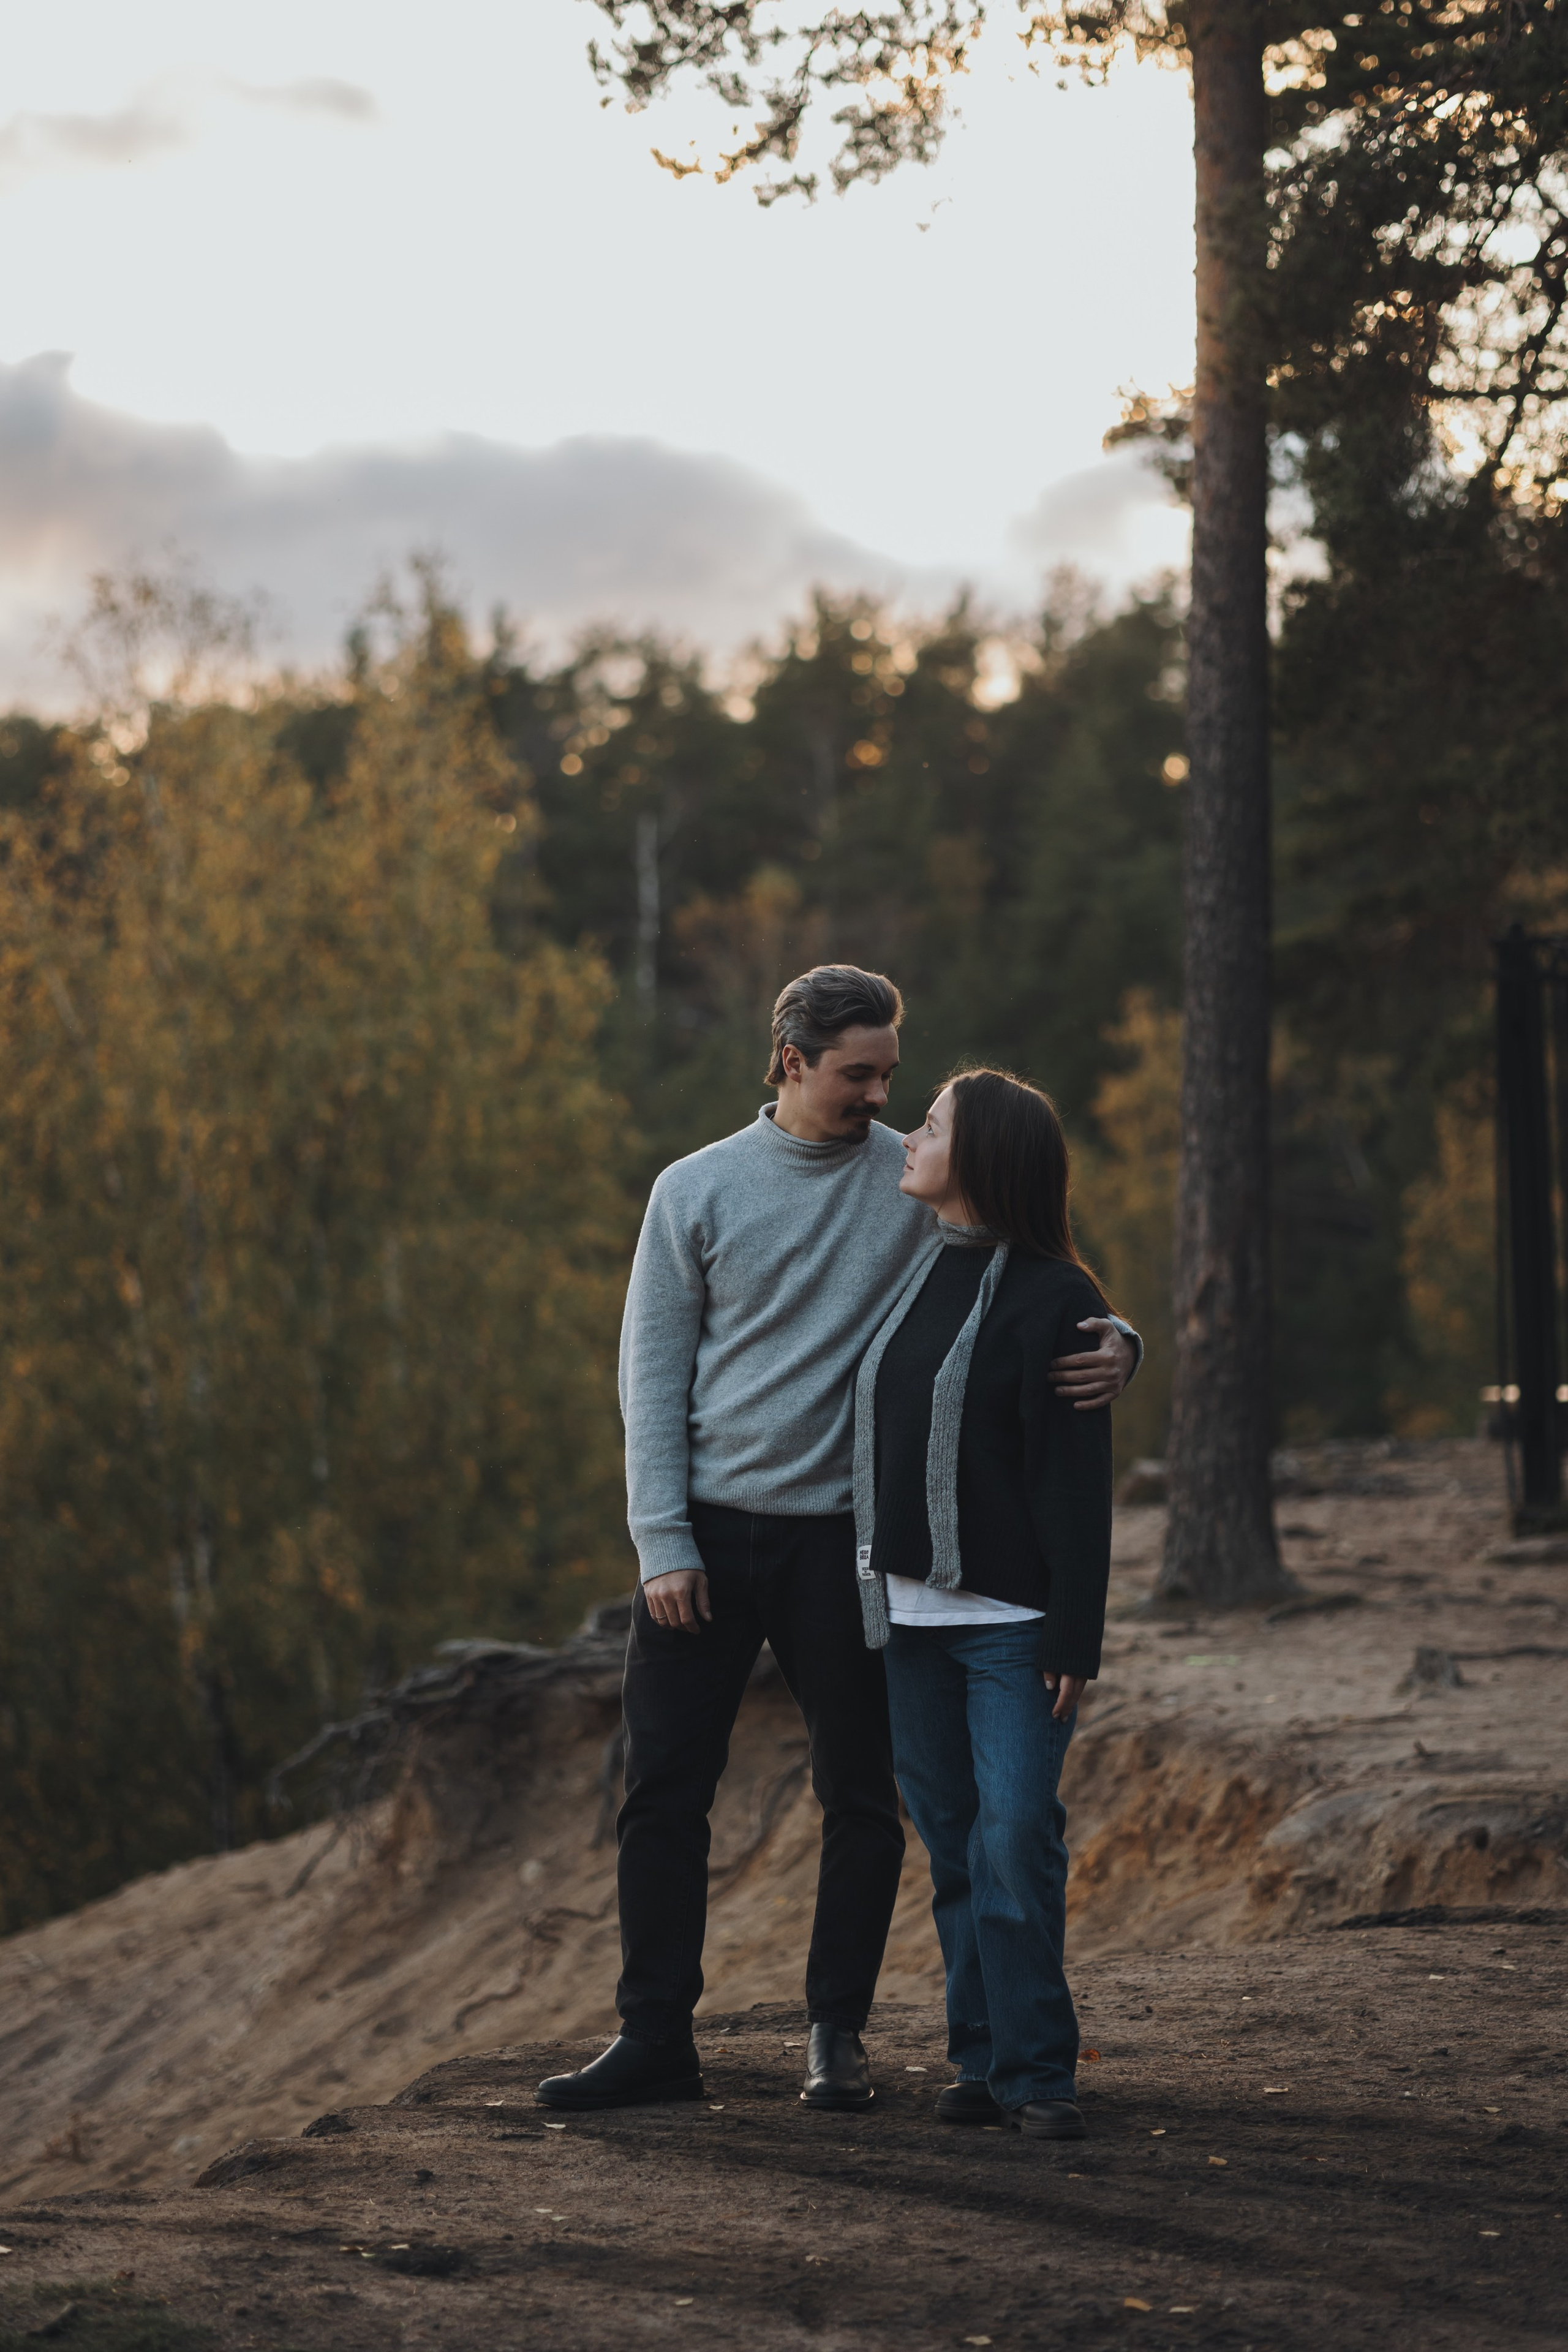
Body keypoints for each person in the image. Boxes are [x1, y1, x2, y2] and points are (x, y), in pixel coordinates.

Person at [537, 970, 1139, 2115]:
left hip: (849, 1548)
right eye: (859, 1074)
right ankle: (655, 2035)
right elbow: (650, 1380)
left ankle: (836, 2035)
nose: (883, 1100)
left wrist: (1120, 1337)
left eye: (891, 1076)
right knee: (663, 1792)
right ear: (792, 1059)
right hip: (705, 1542)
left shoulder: (909, 1186)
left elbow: (1022, 1270)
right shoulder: (694, 1190)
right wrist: (663, 1540)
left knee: (862, 1798)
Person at [853, 1067, 1117, 2141]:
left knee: (1015, 1842)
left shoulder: (1061, 1298)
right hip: (908, 1626)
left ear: (987, 1156)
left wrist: (1076, 1635)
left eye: (931, 1124)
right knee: (956, 1848)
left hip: (1012, 1632)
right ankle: (980, 2060)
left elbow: (1075, 1482)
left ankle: (1040, 2073)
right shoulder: (915, 1269)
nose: (909, 1134)